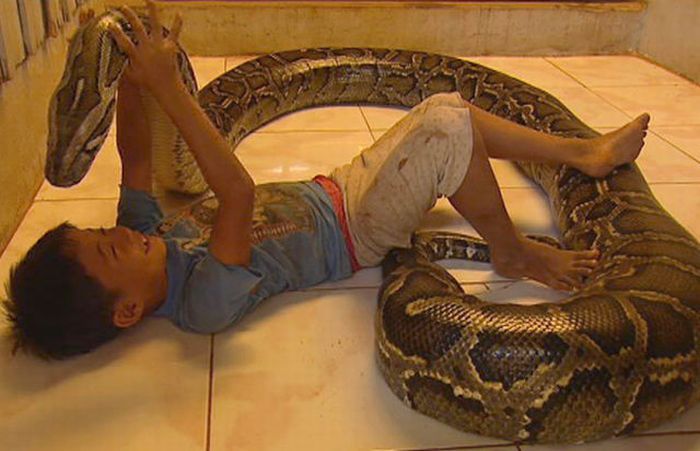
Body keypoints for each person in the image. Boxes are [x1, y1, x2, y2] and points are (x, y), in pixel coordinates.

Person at [2, 1, 650, 360]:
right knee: (450, 128)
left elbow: (137, 160)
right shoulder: (201, 302)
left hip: (337, 187)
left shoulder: (142, 235)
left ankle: (579, 151)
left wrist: (134, 82)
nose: (117, 232)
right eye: (109, 249)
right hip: (356, 231)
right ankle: (510, 249)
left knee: (444, 108)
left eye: (97, 231)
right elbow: (237, 194)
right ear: (128, 310)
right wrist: (171, 91)